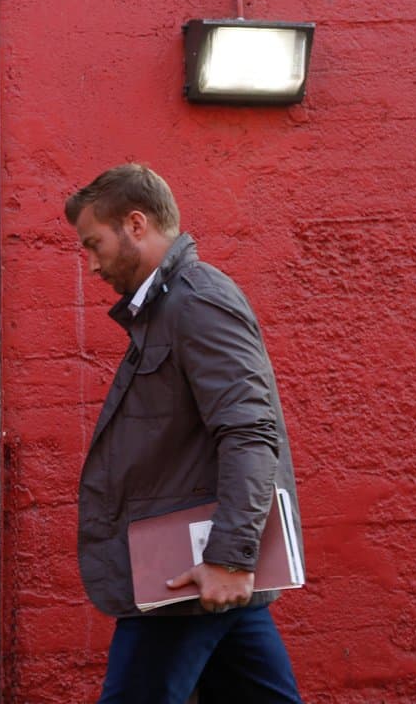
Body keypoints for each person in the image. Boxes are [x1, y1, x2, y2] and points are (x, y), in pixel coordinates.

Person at [64, 164, 304, 703]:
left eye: (94, 243)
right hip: (196, 570)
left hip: (188, 575)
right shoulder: (167, 307)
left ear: (136, 223)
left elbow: (249, 432)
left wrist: (231, 557)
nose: (93, 263)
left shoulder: (195, 300)